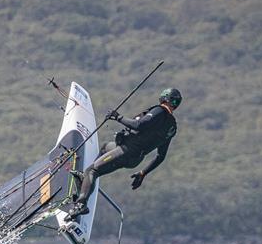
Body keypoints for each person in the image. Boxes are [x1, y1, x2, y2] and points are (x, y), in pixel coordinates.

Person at [66, 87, 182, 221]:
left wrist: (118, 117)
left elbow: (139, 125)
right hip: (134, 159)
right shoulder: (172, 127)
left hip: (125, 152)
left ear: (164, 98)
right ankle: (85, 181)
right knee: (105, 147)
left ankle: (81, 204)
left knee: (92, 171)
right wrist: (143, 173)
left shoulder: (160, 110)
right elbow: (161, 156)